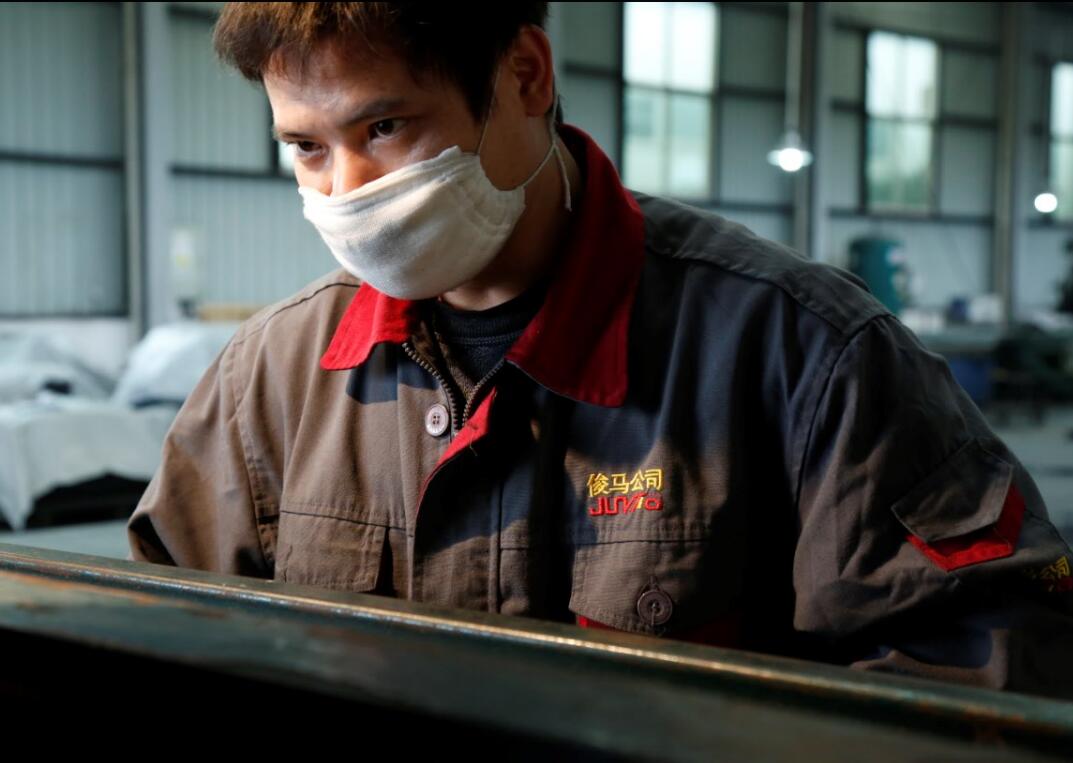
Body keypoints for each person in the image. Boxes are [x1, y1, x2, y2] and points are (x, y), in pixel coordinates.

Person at [127, 3, 1073, 700]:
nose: (347, 191)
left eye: (385, 127)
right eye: (306, 148)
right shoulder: (272, 376)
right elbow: (162, 635)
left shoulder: (802, 352)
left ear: (525, 76)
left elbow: (981, 671)